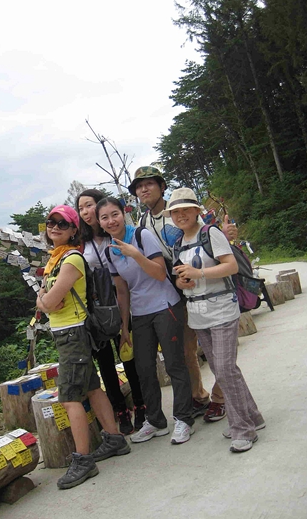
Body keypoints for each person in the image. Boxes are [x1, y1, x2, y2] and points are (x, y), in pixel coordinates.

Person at [128, 166, 237, 423]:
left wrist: (226, 236)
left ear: (162, 186)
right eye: (139, 186)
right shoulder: (142, 222)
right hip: (174, 289)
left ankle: (220, 397)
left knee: (218, 351)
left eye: (149, 183)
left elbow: (208, 238)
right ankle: (199, 397)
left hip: (204, 285)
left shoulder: (181, 209)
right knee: (187, 350)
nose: (144, 189)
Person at [163, 188, 265, 453]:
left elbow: (230, 266)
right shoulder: (177, 243)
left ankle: (243, 429)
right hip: (198, 315)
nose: (180, 215)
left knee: (224, 369)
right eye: (175, 211)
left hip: (221, 310)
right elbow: (179, 278)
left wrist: (199, 273)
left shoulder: (211, 233)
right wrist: (183, 281)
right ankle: (253, 416)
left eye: (186, 209)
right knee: (224, 370)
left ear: (197, 210)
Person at [36, 205, 130, 489]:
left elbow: (48, 302)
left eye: (62, 224)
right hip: (67, 333)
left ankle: (83, 460)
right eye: (51, 222)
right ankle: (114, 438)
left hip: (72, 334)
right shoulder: (55, 259)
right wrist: (45, 299)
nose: (55, 227)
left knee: (69, 398)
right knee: (91, 387)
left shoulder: (71, 259)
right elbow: (47, 299)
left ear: (74, 230)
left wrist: (43, 300)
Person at [96, 197, 194, 445]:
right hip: (139, 313)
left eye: (115, 214)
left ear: (123, 214)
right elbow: (122, 291)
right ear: (99, 222)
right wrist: (124, 327)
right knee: (144, 369)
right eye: (104, 217)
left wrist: (135, 254)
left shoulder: (141, 236)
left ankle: (184, 418)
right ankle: (156, 421)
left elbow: (160, 274)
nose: (111, 221)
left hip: (165, 306)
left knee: (174, 364)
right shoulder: (109, 251)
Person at [76, 189, 146, 435]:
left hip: (123, 303)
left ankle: (140, 404)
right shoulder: (80, 242)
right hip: (97, 311)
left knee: (129, 356)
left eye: (89, 205)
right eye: (80, 208)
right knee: (105, 363)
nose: (85, 212)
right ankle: (121, 411)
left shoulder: (116, 234)